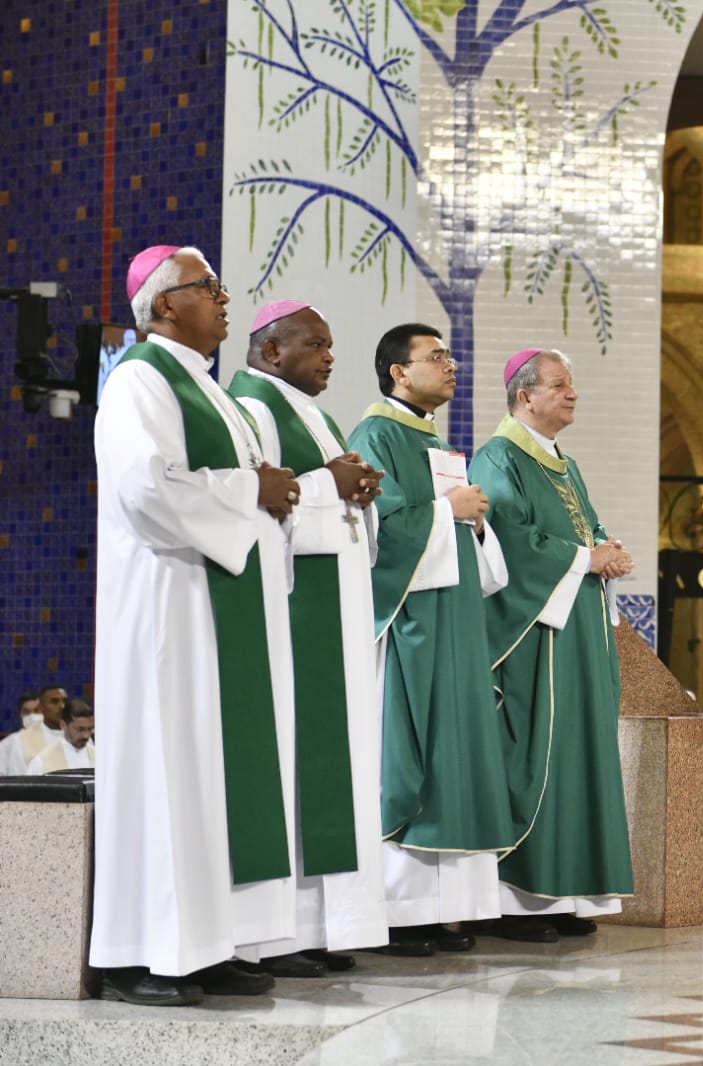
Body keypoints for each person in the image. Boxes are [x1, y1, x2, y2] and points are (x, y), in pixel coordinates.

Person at [90, 245, 297, 1005]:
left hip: (214, 605)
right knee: (165, 770)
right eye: (207, 288)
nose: (222, 297)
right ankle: (135, 952)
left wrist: (261, 490)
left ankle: (204, 944)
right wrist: (254, 487)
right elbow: (149, 487)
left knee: (208, 774)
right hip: (166, 607)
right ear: (165, 305)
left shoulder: (209, 391)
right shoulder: (141, 379)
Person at [228, 300, 390, 975]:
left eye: (330, 345)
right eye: (316, 345)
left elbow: (320, 494)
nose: (329, 357)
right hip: (293, 613)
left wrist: (357, 493)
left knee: (327, 765)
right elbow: (265, 502)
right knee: (295, 764)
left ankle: (316, 926)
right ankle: (275, 934)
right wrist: (333, 484)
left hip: (335, 609)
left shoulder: (313, 413)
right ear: (271, 351)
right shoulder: (254, 407)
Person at [347, 322, 518, 955]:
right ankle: (396, 912)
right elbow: (375, 526)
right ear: (397, 371)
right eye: (435, 356)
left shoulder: (433, 439)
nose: (451, 366)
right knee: (410, 753)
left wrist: (470, 522)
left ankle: (447, 907)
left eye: (448, 355)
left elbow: (456, 521)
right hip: (411, 622)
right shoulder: (377, 434)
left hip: (452, 619)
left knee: (457, 755)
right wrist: (450, 513)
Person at [469, 348, 636, 942]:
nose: (573, 394)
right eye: (560, 386)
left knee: (578, 756)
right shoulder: (499, 457)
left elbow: (581, 529)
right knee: (536, 754)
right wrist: (585, 558)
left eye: (573, 385)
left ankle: (566, 894)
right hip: (534, 634)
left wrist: (605, 551)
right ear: (525, 396)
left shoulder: (563, 462)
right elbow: (508, 539)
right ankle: (518, 900)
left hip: (577, 629)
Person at [0, 685, 66, 774]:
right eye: (27, 712)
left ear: (42, 710)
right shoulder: (14, 741)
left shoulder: (74, 736)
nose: (32, 716)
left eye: (36, 711)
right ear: (20, 714)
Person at [24, 698, 95, 774]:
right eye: (80, 729)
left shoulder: (100, 758)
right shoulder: (42, 762)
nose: (86, 735)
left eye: (90, 729)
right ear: (63, 725)